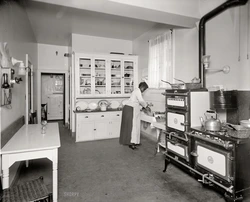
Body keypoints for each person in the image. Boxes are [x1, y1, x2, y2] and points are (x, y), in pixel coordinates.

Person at [119, 81, 150, 150]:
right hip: (130, 110)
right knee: (133, 127)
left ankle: (135, 142)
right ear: (142, 87)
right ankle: (131, 143)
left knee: (135, 126)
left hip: (131, 109)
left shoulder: (137, 91)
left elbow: (137, 103)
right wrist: (146, 106)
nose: (144, 91)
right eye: (144, 89)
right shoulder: (137, 91)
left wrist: (144, 107)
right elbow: (141, 101)